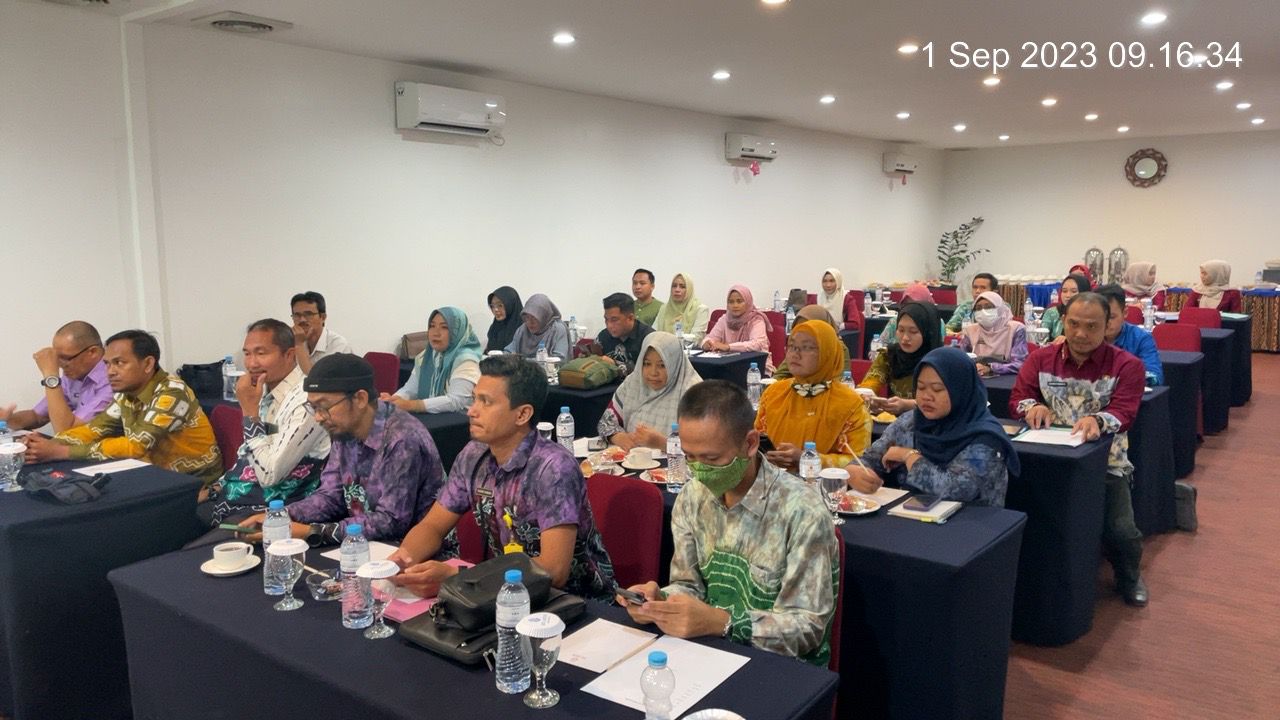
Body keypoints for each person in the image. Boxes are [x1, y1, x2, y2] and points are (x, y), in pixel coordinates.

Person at [617, 380, 839, 666]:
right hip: (706, 653)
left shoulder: (801, 512)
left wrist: (723, 623)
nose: (699, 470)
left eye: (711, 458)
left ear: (749, 443)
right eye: (690, 457)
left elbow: (808, 629)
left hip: (780, 670)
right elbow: (688, 585)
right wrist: (659, 600)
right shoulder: (692, 496)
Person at [387, 355, 616, 601]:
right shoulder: (473, 455)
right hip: (501, 592)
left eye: (485, 402)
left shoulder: (553, 468)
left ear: (522, 414)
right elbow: (433, 525)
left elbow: (553, 571)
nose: (472, 411)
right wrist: (403, 559)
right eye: (474, 399)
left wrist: (460, 577)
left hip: (574, 603)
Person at [1009, 293, 1149, 607]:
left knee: (1121, 530)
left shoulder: (1127, 366)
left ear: (1108, 326)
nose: (1081, 334)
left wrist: (1098, 419)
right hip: (1049, 460)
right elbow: (1019, 397)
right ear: (1063, 321)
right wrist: (1031, 408)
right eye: (1073, 324)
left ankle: (1129, 576)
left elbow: (1125, 413)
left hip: (1106, 463)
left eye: (1091, 326)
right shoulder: (1041, 359)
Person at [237, 354, 445, 546]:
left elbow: (391, 521)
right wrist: (282, 516)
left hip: (413, 552)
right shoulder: (344, 428)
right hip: (361, 541)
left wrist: (311, 531)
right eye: (313, 407)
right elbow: (331, 495)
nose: (318, 417)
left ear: (360, 399)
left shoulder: (402, 439)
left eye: (324, 406)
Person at [23, 330, 222, 484]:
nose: (110, 372)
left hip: (193, 484)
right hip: (153, 475)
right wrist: (44, 445)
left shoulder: (172, 392)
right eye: (108, 364)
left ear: (147, 364)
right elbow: (93, 430)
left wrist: (59, 452)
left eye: (119, 363)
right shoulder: (126, 394)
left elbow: (135, 446)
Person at [847, 347, 1017, 507]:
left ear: (960, 390)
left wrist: (909, 456)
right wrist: (854, 471)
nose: (926, 397)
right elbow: (870, 457)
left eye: (937, 389)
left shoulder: (985, 437)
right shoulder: (910, 422)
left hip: (970, 528)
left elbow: (957, 490)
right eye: (920, 388)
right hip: (911, 519)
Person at [200, 319, 330, 525]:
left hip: (273, 509)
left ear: (289, 355)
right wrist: (214, 489)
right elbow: (248, 454)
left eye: (261, 353)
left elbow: (269, 474)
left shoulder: (307, 402)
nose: (251, 364)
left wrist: (249, 413)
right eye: (247, 353)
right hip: (236, 497)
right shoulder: (265, 389)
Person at [756, 321, 871, 470]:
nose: (795, 354)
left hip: (824, 487)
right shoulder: (773, 393)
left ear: (827, 353)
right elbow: (756, 441)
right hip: (771, 481)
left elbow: (860, 462)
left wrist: (807, 459)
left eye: (807, 347)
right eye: (792, 346)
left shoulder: (850, 404)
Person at [0, 321, 112, 433]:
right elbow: (37, 416)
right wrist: (7, 419)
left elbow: (67, 431)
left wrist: (50, 375)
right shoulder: (73, 375)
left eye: (66, 358)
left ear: (93, 352)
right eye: (57, 357)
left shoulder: (113, 379)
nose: (59, 364)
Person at [598, 332, 702, 451]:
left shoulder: (695, 394)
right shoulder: (634, 382)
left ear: (675, 364)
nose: (653, 372)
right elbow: (606, 422)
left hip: (673, 467)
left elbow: (704, 448)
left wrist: (663, 443)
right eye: (647, 364)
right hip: (632, 460)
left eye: (662, 365)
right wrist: (618, 437)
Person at [385, 307, 481, 413]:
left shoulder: (466, 360)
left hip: (459, 422)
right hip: (433, 417)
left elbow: (457, 401)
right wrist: (392, 400)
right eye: (432, 326)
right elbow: (410, 389)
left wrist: (413, 405)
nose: (436, 332)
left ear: (457, 332)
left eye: (444, 327)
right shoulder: (425, 356)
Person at [859, 302, 943, 416]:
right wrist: (869, 397)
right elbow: (870, 383)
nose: (905, 338)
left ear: (927, 333)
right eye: (901, 330)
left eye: (913, 332)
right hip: (893, 423)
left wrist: (907, 405)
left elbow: (944, 402)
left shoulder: (941, 361)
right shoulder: (889, 355)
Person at [1098, 284, 1165, 386]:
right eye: (1100, 317)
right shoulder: (1086, 337)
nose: (1106, 322)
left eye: (1111, 317)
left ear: (1125, 313)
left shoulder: (1141, 338)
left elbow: (1154, 376)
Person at [958, 292, 1028, 376]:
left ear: (1000, 308)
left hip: (1006, 380)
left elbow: (1020, 364)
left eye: (988, 307)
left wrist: (991, 367)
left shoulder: (1016, 329)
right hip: (977, 377)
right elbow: (960, 359)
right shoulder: (970, 330)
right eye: (978, 308)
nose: (983, 311)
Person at [773, 305, 848, 380]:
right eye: (798, 327)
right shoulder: (796, 346)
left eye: (809, 327)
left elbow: (843, 380)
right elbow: (780, 375)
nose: (802, 331)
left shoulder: (838, 348)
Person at [591, 293, 654, 377]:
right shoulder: (604, 336)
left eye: (614, 320)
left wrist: (615, 365)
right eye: (606, 319)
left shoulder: (649, 338)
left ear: (630, 318)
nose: (609, 325)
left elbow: (650, 374)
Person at [290, 291, 353, 374]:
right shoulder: (291, 341)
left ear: (322, 317)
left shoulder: (338, 344)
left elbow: (315, 383)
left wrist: (299, 345)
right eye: (297, 315)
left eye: (308, 314)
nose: (302, 320)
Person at [702, 285, 771, 354]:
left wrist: (728, 347)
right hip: (729, 361)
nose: (735, 305)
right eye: (731, 302)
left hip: (756, 362)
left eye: (739, 301)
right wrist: (707, 343)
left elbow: (757, 344)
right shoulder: (725, 319)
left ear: (748, 302)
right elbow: (712, 337)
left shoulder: (756, 320)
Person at [504, 293, 570, 359]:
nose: (530, 322)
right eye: (527, 317)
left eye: (534, 318)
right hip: (524, 368)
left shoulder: (557, 329)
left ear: (544, 316)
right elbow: (509, 350)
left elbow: (560, 358)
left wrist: (524, 361)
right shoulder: (523, 329)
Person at [652, 272, 710, 345]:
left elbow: (696, 338)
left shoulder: (701, 309)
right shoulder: (664, 308)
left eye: (682, 287)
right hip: (663, 352)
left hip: (688, 353)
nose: (677, 290)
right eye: (674, 286)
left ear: (689, 289)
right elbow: (653, 333)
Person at [881, 283, 945, 345]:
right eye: (906, 304)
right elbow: (879, 346)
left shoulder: (937, 323)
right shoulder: (895, 322)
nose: (905, 338)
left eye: (913, 331)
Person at [1042, 273, 1092, 343]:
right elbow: (1041, 340)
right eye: (1064, 291)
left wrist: (1068, 340)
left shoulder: (1092, 315)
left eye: (1074, 291)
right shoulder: (1052, 313)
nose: (1068, 295)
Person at [484, 286, 523, 354]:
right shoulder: (494, 327)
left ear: (511, 304)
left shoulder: (523, 329)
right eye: (492, 306)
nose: (495, 310)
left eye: (500, 305)